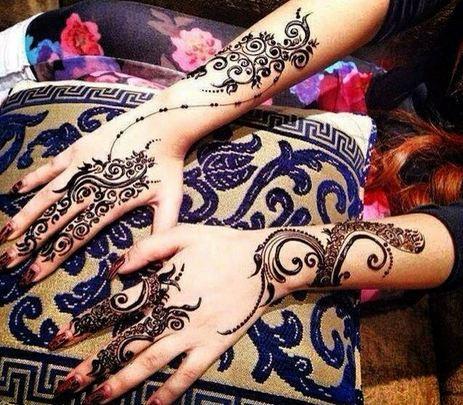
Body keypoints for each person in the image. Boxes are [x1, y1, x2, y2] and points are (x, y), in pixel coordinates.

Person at [0, 0, 462, 404]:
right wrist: (167, 121)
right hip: (391, 102)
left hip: (425, 210)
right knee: (92, 28)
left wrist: (270, 262)